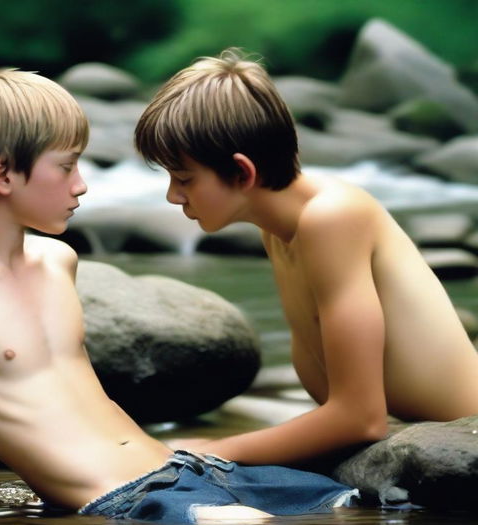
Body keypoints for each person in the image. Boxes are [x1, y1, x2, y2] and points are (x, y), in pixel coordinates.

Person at [0, 68, 357, 525]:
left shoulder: (58, 262)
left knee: (364, 506)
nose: (81, 185)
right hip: (124, 499)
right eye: (66, 167)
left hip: (188, 469)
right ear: (4, 175)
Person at [134, 49, 478, 467]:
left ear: (243, 173)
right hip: (416, 440)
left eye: (184, 178)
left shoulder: (331, 217)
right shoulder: (279, 230)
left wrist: (210, 450)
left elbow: (361, 419)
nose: (173, 196)